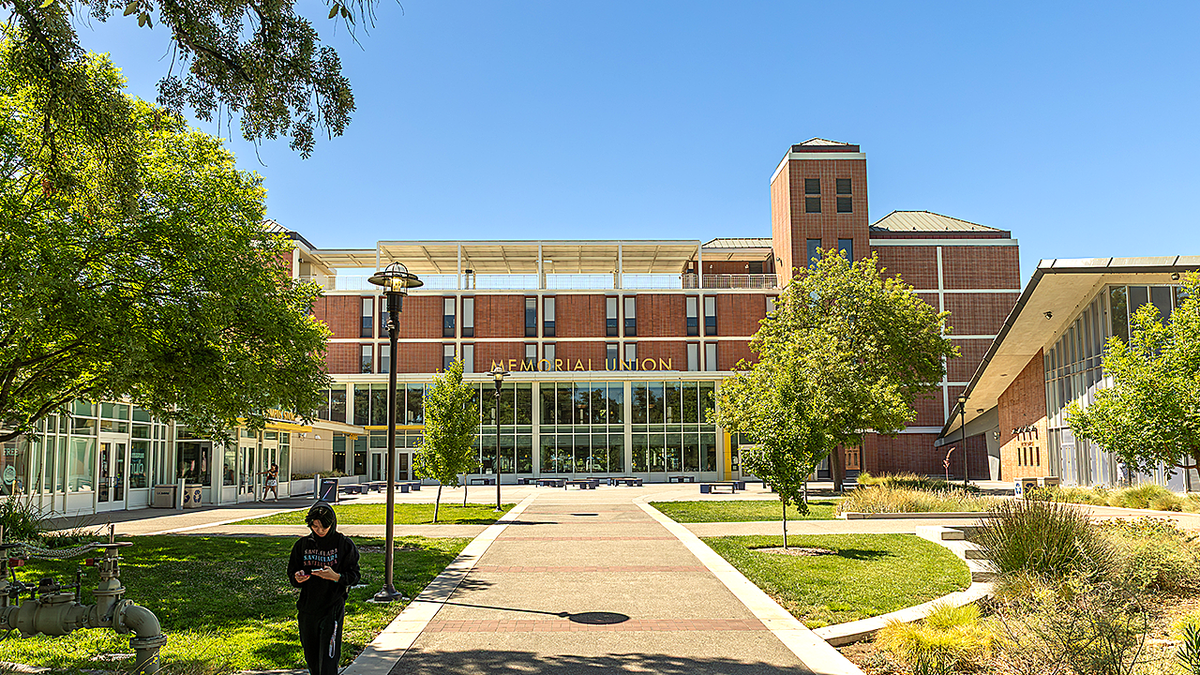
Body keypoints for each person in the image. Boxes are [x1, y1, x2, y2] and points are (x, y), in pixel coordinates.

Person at [287, 502, 360, 675]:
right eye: (315, 526)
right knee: (312, 659)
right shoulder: (302, 545)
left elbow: (354, 576)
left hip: (332, 609)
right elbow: (292, 573)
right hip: (307, 609)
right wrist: (298, 577)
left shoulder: (343, 544)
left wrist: (336, 577)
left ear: (332, 523)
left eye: (323, 526)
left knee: (328, 661)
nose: (319, 530)